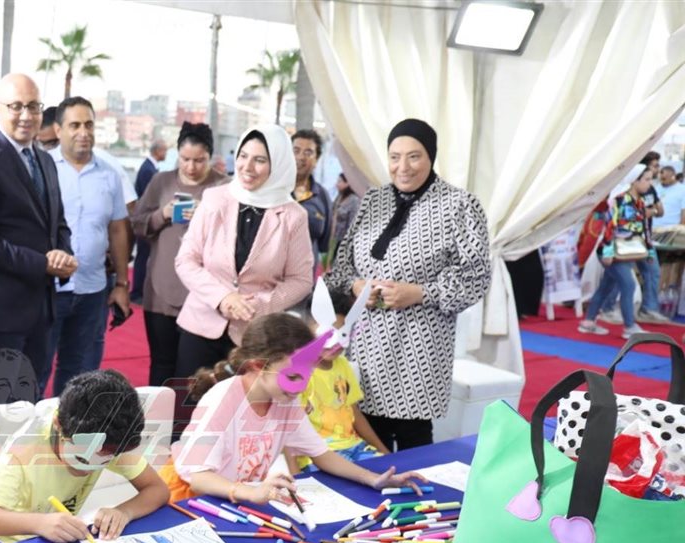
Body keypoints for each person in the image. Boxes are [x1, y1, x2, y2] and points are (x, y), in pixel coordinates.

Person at [327, 118, 491, 450]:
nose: (403, 167)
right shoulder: (373, 200)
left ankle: (419, 485)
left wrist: (420, 293)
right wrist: (357, 287)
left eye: (414, 156)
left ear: (431, 157)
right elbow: (340, 268)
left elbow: (476, 277)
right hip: (365, 344)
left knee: (413, 439)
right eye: (395, 157)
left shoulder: (459, 205)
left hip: (418, 347)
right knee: (363, 435)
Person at [162, 313, 425, 503]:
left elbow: (321, 454)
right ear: (257, 366)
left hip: (236, 497)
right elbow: (200, 478)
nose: (302, 385)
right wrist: (250, 492)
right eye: (293, 375)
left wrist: (371, 479)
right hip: (189, 497)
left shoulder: (285, 399)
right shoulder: (222, 400)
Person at [0, 73, 76, 402]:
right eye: (16, 106)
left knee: (31, 405)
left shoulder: (45, 161)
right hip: (0, 312)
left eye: (34, 106)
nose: (26, 115)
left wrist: (63, 254)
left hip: (42, 309)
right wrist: (42, 263)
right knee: (0, 410)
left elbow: (58, 223)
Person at [174, 125, 313, 381]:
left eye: (259, 160)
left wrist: (258, 305)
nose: (247, 167)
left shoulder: (294, 216)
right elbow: (186, 260)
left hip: (254, 336)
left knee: (240, 404)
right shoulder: (214, 198)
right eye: (243, 156)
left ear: (277, 164)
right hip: (201, 326)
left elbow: (301, 279)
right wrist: (224, 298)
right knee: (190, 402)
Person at [0, 369, 169, 542]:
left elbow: (157, 489)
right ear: (58, 425)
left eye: (104, 462)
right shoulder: (25, 450)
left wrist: (124, 512)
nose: (87, 470)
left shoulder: (109, 439)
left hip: (55, 542)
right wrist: (40, 523)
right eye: (81, 459)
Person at [130, 122, 229, 389]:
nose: (191, 167)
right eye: (185, 159)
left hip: (204, 295)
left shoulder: (224, 187)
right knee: (161, 363)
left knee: (196, 371)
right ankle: (158, 414)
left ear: (210, 157)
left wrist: (207, 216)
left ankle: (190, 416)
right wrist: (162, 214)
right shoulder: (161, 181)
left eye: (199, 160)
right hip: (162, 289)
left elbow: (236, 236)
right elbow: (137, 223)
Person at [44, 97, 132, 396]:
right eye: (75, 125)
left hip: (93, 291)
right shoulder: (43, 169)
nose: (84, 132)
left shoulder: (109, 175)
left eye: (89, 125)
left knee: (80, 375)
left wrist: (121, 284)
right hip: (47, 290)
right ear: (58, 130)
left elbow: (118, 229)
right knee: (36, 369)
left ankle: (68, 424)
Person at [294, 288, 387, 470]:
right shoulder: (297, 372)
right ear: (306, 330)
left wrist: (383, 450)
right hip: (318, 456)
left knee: (387, 471)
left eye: (343, 333)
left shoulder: (342, 365)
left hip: (354, 447)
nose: (335, 342)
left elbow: (354, 412)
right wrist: (295, 473)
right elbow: (288, 425)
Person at [578, 165, 654, 339]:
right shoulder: (618, 200)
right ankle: (630, 326)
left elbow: (645, 228)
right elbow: (609, 227)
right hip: (612, 251)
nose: (649, 183)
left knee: (606, 286)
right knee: (628, 285)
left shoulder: (640, 203)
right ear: (634, 180)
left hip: (627, 251)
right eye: (647, 179)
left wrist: (649, 250)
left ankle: (588, 322)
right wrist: (608, 252)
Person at [132, 139, 169, 304]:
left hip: (147, 218)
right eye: (164, 150)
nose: (166, 154)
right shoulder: (148, 170)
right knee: (143, 256)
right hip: (145, 220)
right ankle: (137, 292)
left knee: (145, 255)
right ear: (158, 151)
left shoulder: (149, 168)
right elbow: (150, 197)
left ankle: (140, 290)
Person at [292, 129, 330, 268]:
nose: (301, 157)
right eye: (296, 151)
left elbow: (324, 243)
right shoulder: (273, 190)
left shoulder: (322, 196)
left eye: (308, 152)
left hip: (307, 274)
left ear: (316, 160)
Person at [330, 173, 360, 257]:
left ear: (348, 183)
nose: (337, 184)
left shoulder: (354, 200)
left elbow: (352, 224)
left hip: (342, 241)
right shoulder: (339, 197)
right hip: (333, 237)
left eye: (340, 181)